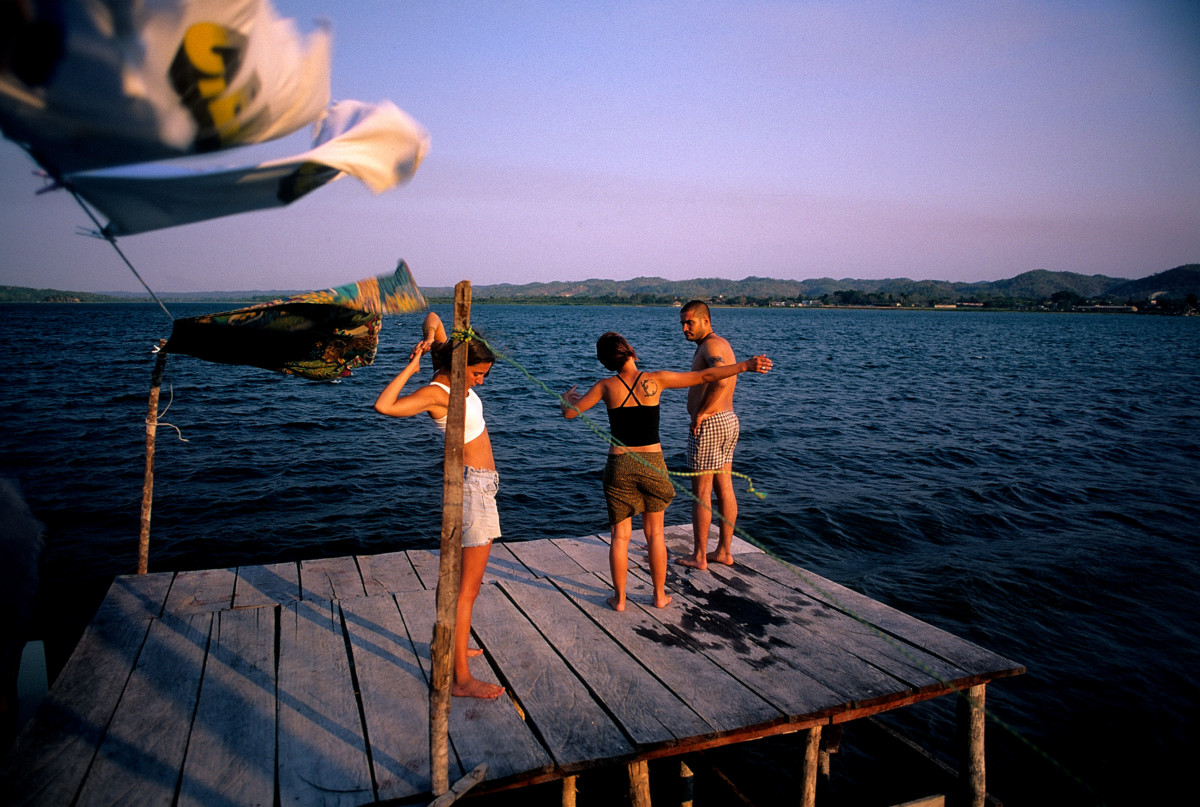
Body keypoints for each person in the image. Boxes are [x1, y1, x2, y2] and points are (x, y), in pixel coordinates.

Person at [561, 332, 771, 611]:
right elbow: (706, 377)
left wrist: (566, 399)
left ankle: (620, 599)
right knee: (655, 534)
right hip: (653, 464)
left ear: (606, 362)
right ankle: (659, 596)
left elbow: (570, 413)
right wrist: (744, 365)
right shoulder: (655, 379)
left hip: (619, 465)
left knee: (620, 537)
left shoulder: (605, 386)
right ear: (631, 351)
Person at [374, 312, 505, 699]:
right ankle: (460, 678)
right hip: (472, 490)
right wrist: (411, 365)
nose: (481, 381)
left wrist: (431, 338)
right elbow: (384, 406)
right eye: (478, 374)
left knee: (467, 587)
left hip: (482, 487)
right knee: (468, 589)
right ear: (462, 367)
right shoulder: (436, 393)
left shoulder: (451, 362)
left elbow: (432, 315)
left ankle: (457, 646)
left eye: (484, 375)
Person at [678, 300, 746, 570]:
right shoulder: (721, 343)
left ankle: (699, 556)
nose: (684, 328)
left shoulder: (710, 346)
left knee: (702, 493)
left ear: (706, 321)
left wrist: (702, 412)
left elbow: (721, 378)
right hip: (728, 420)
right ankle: (724, 551)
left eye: (689, 322)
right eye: (682, 323)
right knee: (724, 487)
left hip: (711, 424)